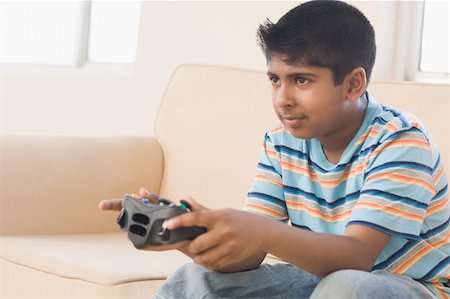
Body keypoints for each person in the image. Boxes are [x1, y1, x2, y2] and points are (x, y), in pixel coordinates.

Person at [99, 1, 450, 298]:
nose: (282, 99)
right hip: (320, 277)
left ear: (353, 84)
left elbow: (356, 256)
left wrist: (261, 230)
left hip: (416, 286)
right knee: (194, 279)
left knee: (345, 287)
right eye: (274, 79)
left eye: (301, 80)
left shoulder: (400, 140)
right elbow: (252, 253)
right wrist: (189, 232)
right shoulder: (281, 142)